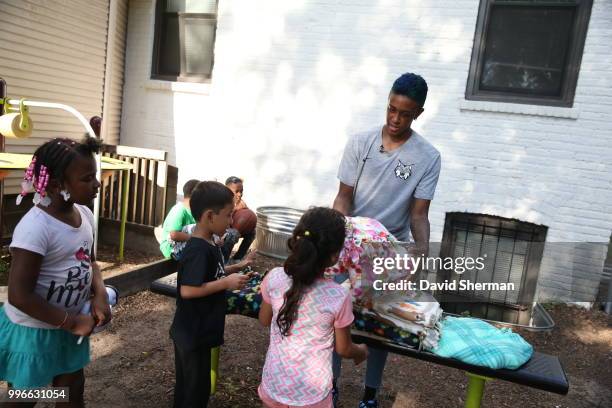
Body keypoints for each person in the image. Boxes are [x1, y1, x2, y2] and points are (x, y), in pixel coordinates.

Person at [332, 72, 441, 408]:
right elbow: (343, 197)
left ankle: (370, 393)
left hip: (389, 251)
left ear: (418, 113)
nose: (395, 119)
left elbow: (418, 215)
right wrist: (336, 234)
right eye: (391, 109)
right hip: (350, 243)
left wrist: (420, 253)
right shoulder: (360, 143)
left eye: (405, 113)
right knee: (333, 314)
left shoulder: (428, 157)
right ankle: (330, 386)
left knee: (381, 325)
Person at [0, 137, 111, 406]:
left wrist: (99, 295)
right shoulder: (36, 228)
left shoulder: (84, 215)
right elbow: (19, 295)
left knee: (72, 390)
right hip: (35, 331)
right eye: (87, 178)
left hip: (68, 327)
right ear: (57, 184)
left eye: (94, 175)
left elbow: (91, 264)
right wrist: (72, 322)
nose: (97, 183)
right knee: (25, 397)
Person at [258, 207, 368, 408]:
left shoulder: (274, 277)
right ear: (335, 255)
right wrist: (361, 352)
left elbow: (264, 319)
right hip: (312, 395)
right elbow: (344, 349)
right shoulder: (338, 296)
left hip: (274, 383)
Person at [170, 181, 250, 408]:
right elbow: (187, 289)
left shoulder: (209, 243)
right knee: (193, 393)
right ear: (209, 216)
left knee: (195, 388)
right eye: (228, 215)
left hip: (200, 332)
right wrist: (226, 282)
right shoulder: (197, 249)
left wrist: (235, 268)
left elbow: (209, 274)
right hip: (192, 334)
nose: (231, 221)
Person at [159, 179, 200, 259]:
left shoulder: (194, 211)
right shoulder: (179, 210)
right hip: (171, 248)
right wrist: (196, 239)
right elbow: (174, 235)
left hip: (184, 245)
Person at [220, 176, 256, 261]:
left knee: (252, 232)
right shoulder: (221, 201)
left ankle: (237, 258)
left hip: (232, 228)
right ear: (226, 190)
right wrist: (234, 210)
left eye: (241, 191)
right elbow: (221, 221)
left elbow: (246, 217)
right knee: (233, 234)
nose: (239, 194)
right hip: (220, 230)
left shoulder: (240, 202)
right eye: (236, 191)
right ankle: (223, 261)